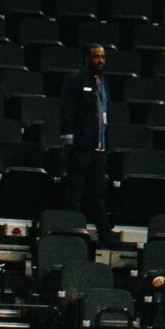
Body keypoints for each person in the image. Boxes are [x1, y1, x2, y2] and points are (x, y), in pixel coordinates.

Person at [58, 44, 114, 235]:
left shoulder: (104, 82)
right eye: (97, 57)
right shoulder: (76, 79)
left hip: (99, 148)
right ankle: (71, 230)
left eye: (103, 57)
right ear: (87, 58)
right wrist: (68, 139)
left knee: (100, 193)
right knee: (75, 190)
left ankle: (104, 233)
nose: (101, 61)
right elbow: (67, 111)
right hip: (81, 147)